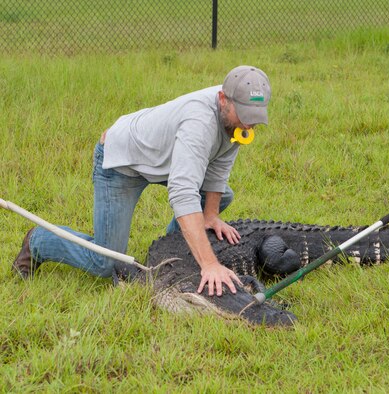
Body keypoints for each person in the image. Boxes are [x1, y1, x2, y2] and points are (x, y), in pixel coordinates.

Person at [12, 65, 272, 296]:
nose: (249, 126)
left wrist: (211, 214)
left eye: (255, 116)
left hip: (163, 159)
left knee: (221, 195)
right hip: (122, 163)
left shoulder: (237, 116)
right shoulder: (200, 122)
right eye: (245, 115)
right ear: (223, 99)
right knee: (104, 262)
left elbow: (220, 164)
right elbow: (183, 193)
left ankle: (173, 253)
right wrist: (210, 264)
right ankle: (39, 241)